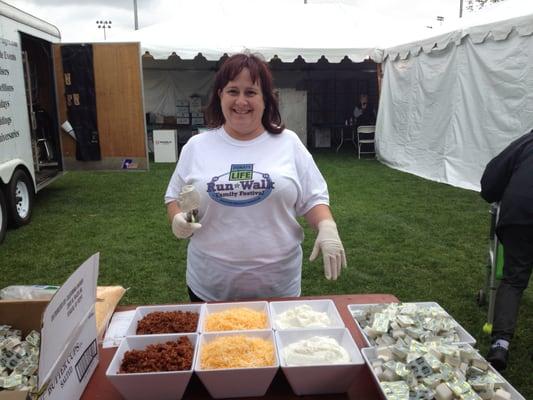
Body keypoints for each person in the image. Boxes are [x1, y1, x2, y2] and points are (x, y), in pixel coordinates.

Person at [165, 53, 347, 302]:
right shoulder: (197, 146)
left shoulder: (288, 143)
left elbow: (313, 198)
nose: (241, 101)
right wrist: (177, 218)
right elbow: (175, 196)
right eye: (232, 91)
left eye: (250, 92)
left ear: (266, 100)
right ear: (220, 95)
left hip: (278, 286)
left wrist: (327, 227)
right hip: (210, 286)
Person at [480, 129, 533, 371]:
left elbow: (491, 179)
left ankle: (500, 345)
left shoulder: (527, 141)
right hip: (520, 212)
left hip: (519, 214)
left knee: (513, 279)